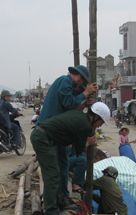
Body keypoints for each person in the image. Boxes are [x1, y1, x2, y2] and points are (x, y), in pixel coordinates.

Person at [31, 102, 110, 215]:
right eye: (101, 122)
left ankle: (59, 203)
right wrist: (87, 143)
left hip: (45, 138)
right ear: (95, 117)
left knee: (58, 170)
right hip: (42, 139)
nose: (100, 125)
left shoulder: (80, 117)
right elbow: (79, 151)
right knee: (52, 174)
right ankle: (51, 212)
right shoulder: (84, 125)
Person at [37, 65, 98, 201]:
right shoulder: (65, 81)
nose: (80, 88)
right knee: (54, 169)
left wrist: (84, 103)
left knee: (64, 164)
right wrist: (85, 93)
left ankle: (64, 195)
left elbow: (70, 109)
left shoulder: (65, 84)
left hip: (57, 132)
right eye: (82, 84)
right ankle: (50, 200)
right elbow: (69, 102)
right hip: (49, 130)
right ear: (79, 77)